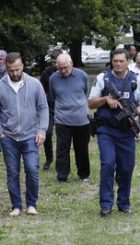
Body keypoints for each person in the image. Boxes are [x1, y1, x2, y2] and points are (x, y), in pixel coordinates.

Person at [89, 48, 140, 217]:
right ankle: (106, 204)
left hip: (126, 131)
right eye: (115, 61)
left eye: (121, 61)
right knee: (108, 164)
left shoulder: (136, 80)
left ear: (127, 61)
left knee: (126, 168)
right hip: (106, 129)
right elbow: (91, 103)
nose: (118, 64)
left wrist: (135, 113)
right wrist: (106, 99)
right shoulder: (103, 78)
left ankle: (123, 203)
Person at [0, 52, 49, 216]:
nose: (14, 73)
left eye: (17, 69)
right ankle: (16, 205)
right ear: (6, 69)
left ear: (22, 66)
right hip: (8, 137)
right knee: (12, 172)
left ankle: (31, 204)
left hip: (30, 136)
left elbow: (43, 108)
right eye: (11, 70)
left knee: (32, 170)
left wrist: (42, 130)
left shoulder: (34, 84)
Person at [49, 54, 91, 183]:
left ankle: (84, 174)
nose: (63, 70)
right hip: (62, 120)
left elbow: (86, 92)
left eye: (65, 67)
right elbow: (53, 95)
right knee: (62, 149)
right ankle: (62, 176)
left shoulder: (82, 75)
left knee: (82, 148)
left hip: (81, 120)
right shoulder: (53, 78)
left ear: (71, 63)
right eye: (60, 68)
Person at [39, 48, 63, 170]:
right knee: (47, 132)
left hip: (63, 108)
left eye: (57, 62)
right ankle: (49, 158)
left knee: (62, 135)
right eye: (53, 62)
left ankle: (61, 160)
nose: (55, 65)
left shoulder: (67, 72)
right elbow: (40, 90)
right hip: (49, 107)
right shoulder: (47, 73)